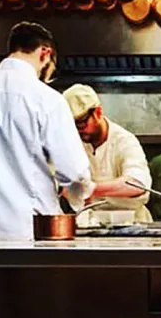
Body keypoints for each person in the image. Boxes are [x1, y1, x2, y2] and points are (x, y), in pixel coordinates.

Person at [0, 22, 110, 240]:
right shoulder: (46, 98)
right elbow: (74, 172)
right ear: (46, 53)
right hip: (34, 233)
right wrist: (80, 196)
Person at [62, 84, 153, 223]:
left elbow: (138, 184)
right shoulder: (73, 143)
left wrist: (91, 189)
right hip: (91, 224)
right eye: (71, 126)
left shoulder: (124, 141)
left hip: (133, 225)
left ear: (98, 112)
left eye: (81, 124)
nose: (77, 131)